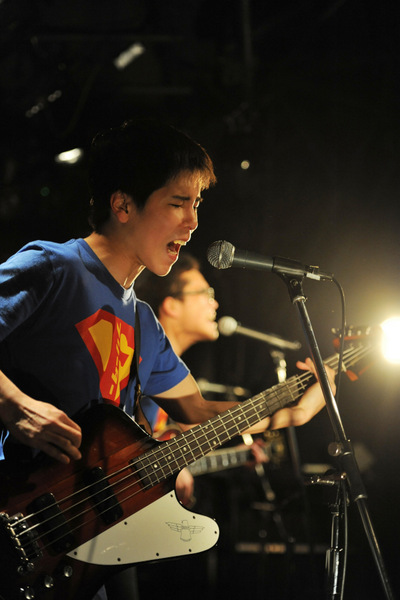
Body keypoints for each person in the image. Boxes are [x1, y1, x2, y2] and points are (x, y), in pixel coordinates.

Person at [0, 118, 334, 600]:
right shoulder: (54, 267)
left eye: (196, 205)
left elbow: (199, 412)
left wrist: (296, 409)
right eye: (178, 203)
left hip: (77, 548)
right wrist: (15, 406)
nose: (193, 222)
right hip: (15, 511)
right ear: (123, 205)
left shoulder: (143, 322)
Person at [135, 251, 268, 506]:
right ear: (171, 305)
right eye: (206, 294)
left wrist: (236, 456)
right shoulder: (142, 359)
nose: (215, 304)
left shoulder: (171, 377)